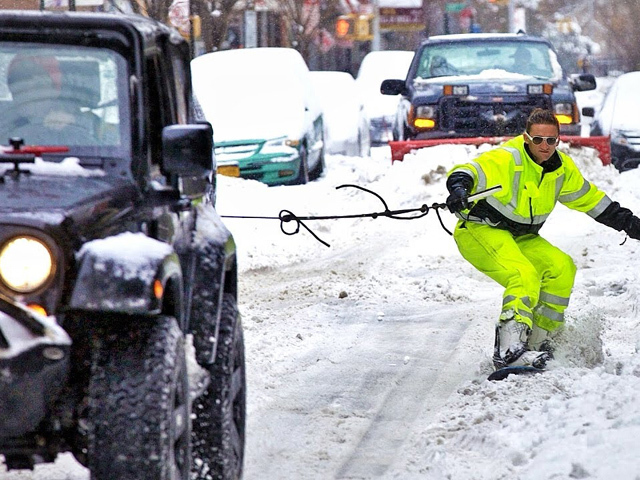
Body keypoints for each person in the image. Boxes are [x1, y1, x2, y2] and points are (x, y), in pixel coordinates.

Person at [445, 108, 640, 370]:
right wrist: (459, 189)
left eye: (551, 140)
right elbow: (469, 171)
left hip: (522, 235)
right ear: (527, 138)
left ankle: (538, 342)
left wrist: (629, 223)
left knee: (561, 268)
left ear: (558, 140)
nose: (544, 146)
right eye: (538, 140)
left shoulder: (561, 169)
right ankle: (508, 351)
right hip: (481, 229)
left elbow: (592, 201)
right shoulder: (508, 158)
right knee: (523, 274)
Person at [1, 54, 98, 145]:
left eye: (39, 85)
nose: (28, 91)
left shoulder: (88, 123)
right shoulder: (4, 120)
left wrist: (75, 125)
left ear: (55, 90)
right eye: (18, 81)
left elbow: (104, 150)